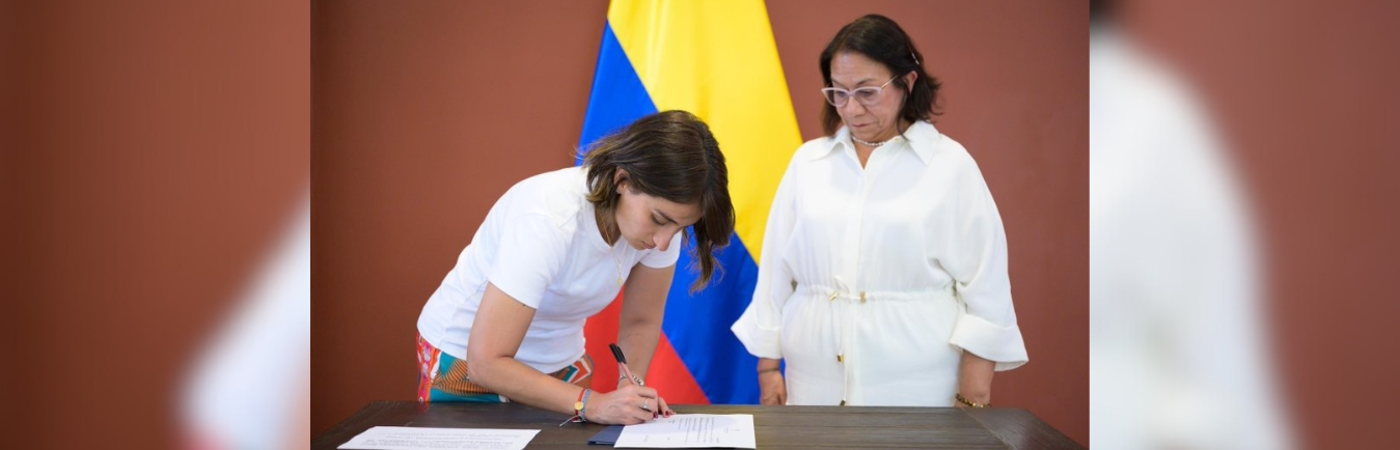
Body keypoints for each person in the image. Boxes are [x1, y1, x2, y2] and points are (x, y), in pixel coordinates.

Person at [731, 14, 1028, 408]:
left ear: (907, 82)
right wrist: (768, 371)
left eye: (867, 92)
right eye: (838, 92)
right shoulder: (808, 163)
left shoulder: (949, 165)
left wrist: (972, 398)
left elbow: (986, 289)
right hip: (813, 385)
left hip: (919, 389)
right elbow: (774, 277)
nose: (851, 108)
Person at [415, 110, 735, 425]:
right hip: (466, 364)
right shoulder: (546, 217)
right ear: (622, 180)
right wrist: (592, 404)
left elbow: (642, 320)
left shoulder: (661, 228)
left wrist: (631, 388)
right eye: (659, 220)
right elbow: (485, 363)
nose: (664, 242)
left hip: (560, 367)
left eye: (680, 228)